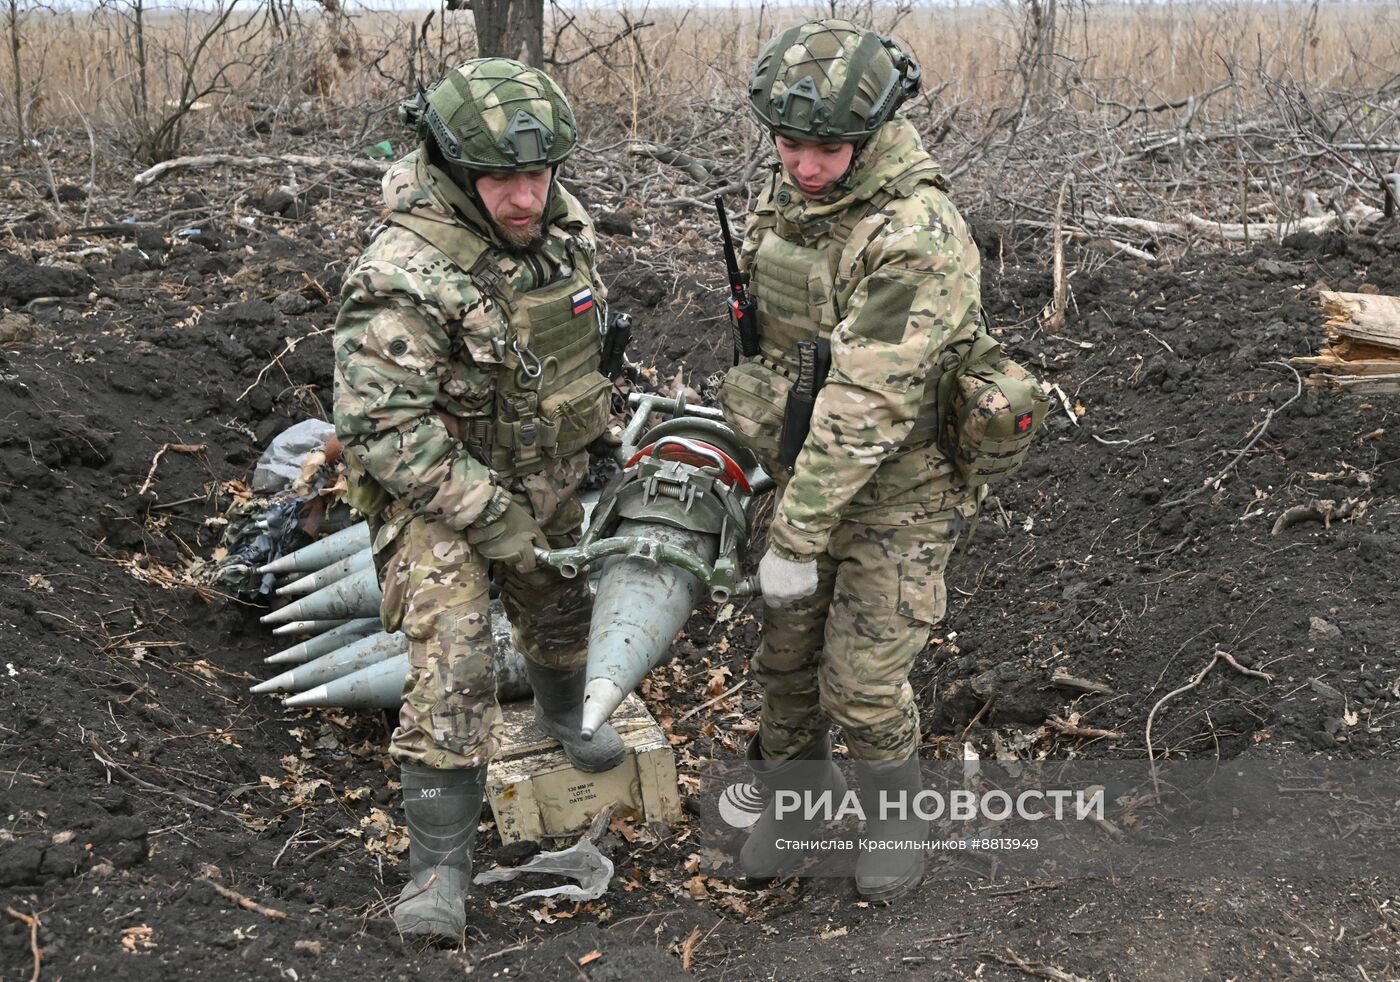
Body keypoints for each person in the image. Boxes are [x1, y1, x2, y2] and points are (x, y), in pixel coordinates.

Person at [333, 58, 622, 940]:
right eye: (501, 177)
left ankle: (566, 717)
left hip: (543, 467)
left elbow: (576, 351)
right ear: (457, 170)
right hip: (436, 489)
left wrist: (599, 440)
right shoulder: (404, 270)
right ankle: (439, 868)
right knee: (454, 660)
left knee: (563, 609)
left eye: (538, 174)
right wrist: (494, 520)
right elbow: (384, 430)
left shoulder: (561, 228)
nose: (525, 196)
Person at [715, 19, 984, 902]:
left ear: (869, 136)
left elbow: (867, 403)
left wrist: (792, 539)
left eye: (826, 149)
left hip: (897, 486)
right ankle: (795, 806)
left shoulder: (917, 230)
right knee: (786, 667)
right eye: (788, 145)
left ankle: (897, 812)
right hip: (803, 470)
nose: (802, 166)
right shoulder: (787, 200)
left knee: (863, 683)